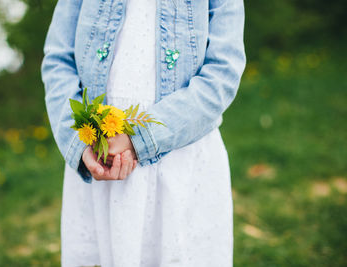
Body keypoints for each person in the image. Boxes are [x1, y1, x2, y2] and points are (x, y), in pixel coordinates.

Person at [41, 0, 246, 266]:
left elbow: (223, 73)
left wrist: (138, 137)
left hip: (181, 164)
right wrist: (80, 143)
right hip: (99, 159)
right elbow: (59, 59)